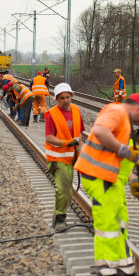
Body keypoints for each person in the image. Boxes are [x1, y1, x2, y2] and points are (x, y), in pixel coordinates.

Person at [74, 93, 139, 276]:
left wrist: (133, 180)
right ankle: (107, 273)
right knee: (108, 226)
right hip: (100, 178)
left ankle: (125, 268)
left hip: (111, 180)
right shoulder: (116, 111)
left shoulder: (125, 123)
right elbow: (100, 131)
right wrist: (124, 150)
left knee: (120, 225)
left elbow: (117, 160)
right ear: (137, 108)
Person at [45, 83, 85, 231]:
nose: (66, 100)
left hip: (72, 157)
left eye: (68, 97)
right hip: (57, 159)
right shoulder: (51, 114)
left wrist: (78, 151)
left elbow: (79, 133)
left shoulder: (76, 110)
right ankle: (59, 218)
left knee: (68, 190)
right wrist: (65, 143)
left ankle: (58, 215)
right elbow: (49, 138)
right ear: (56, 99)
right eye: (62, 98)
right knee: (63, 189)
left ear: (72, 96)